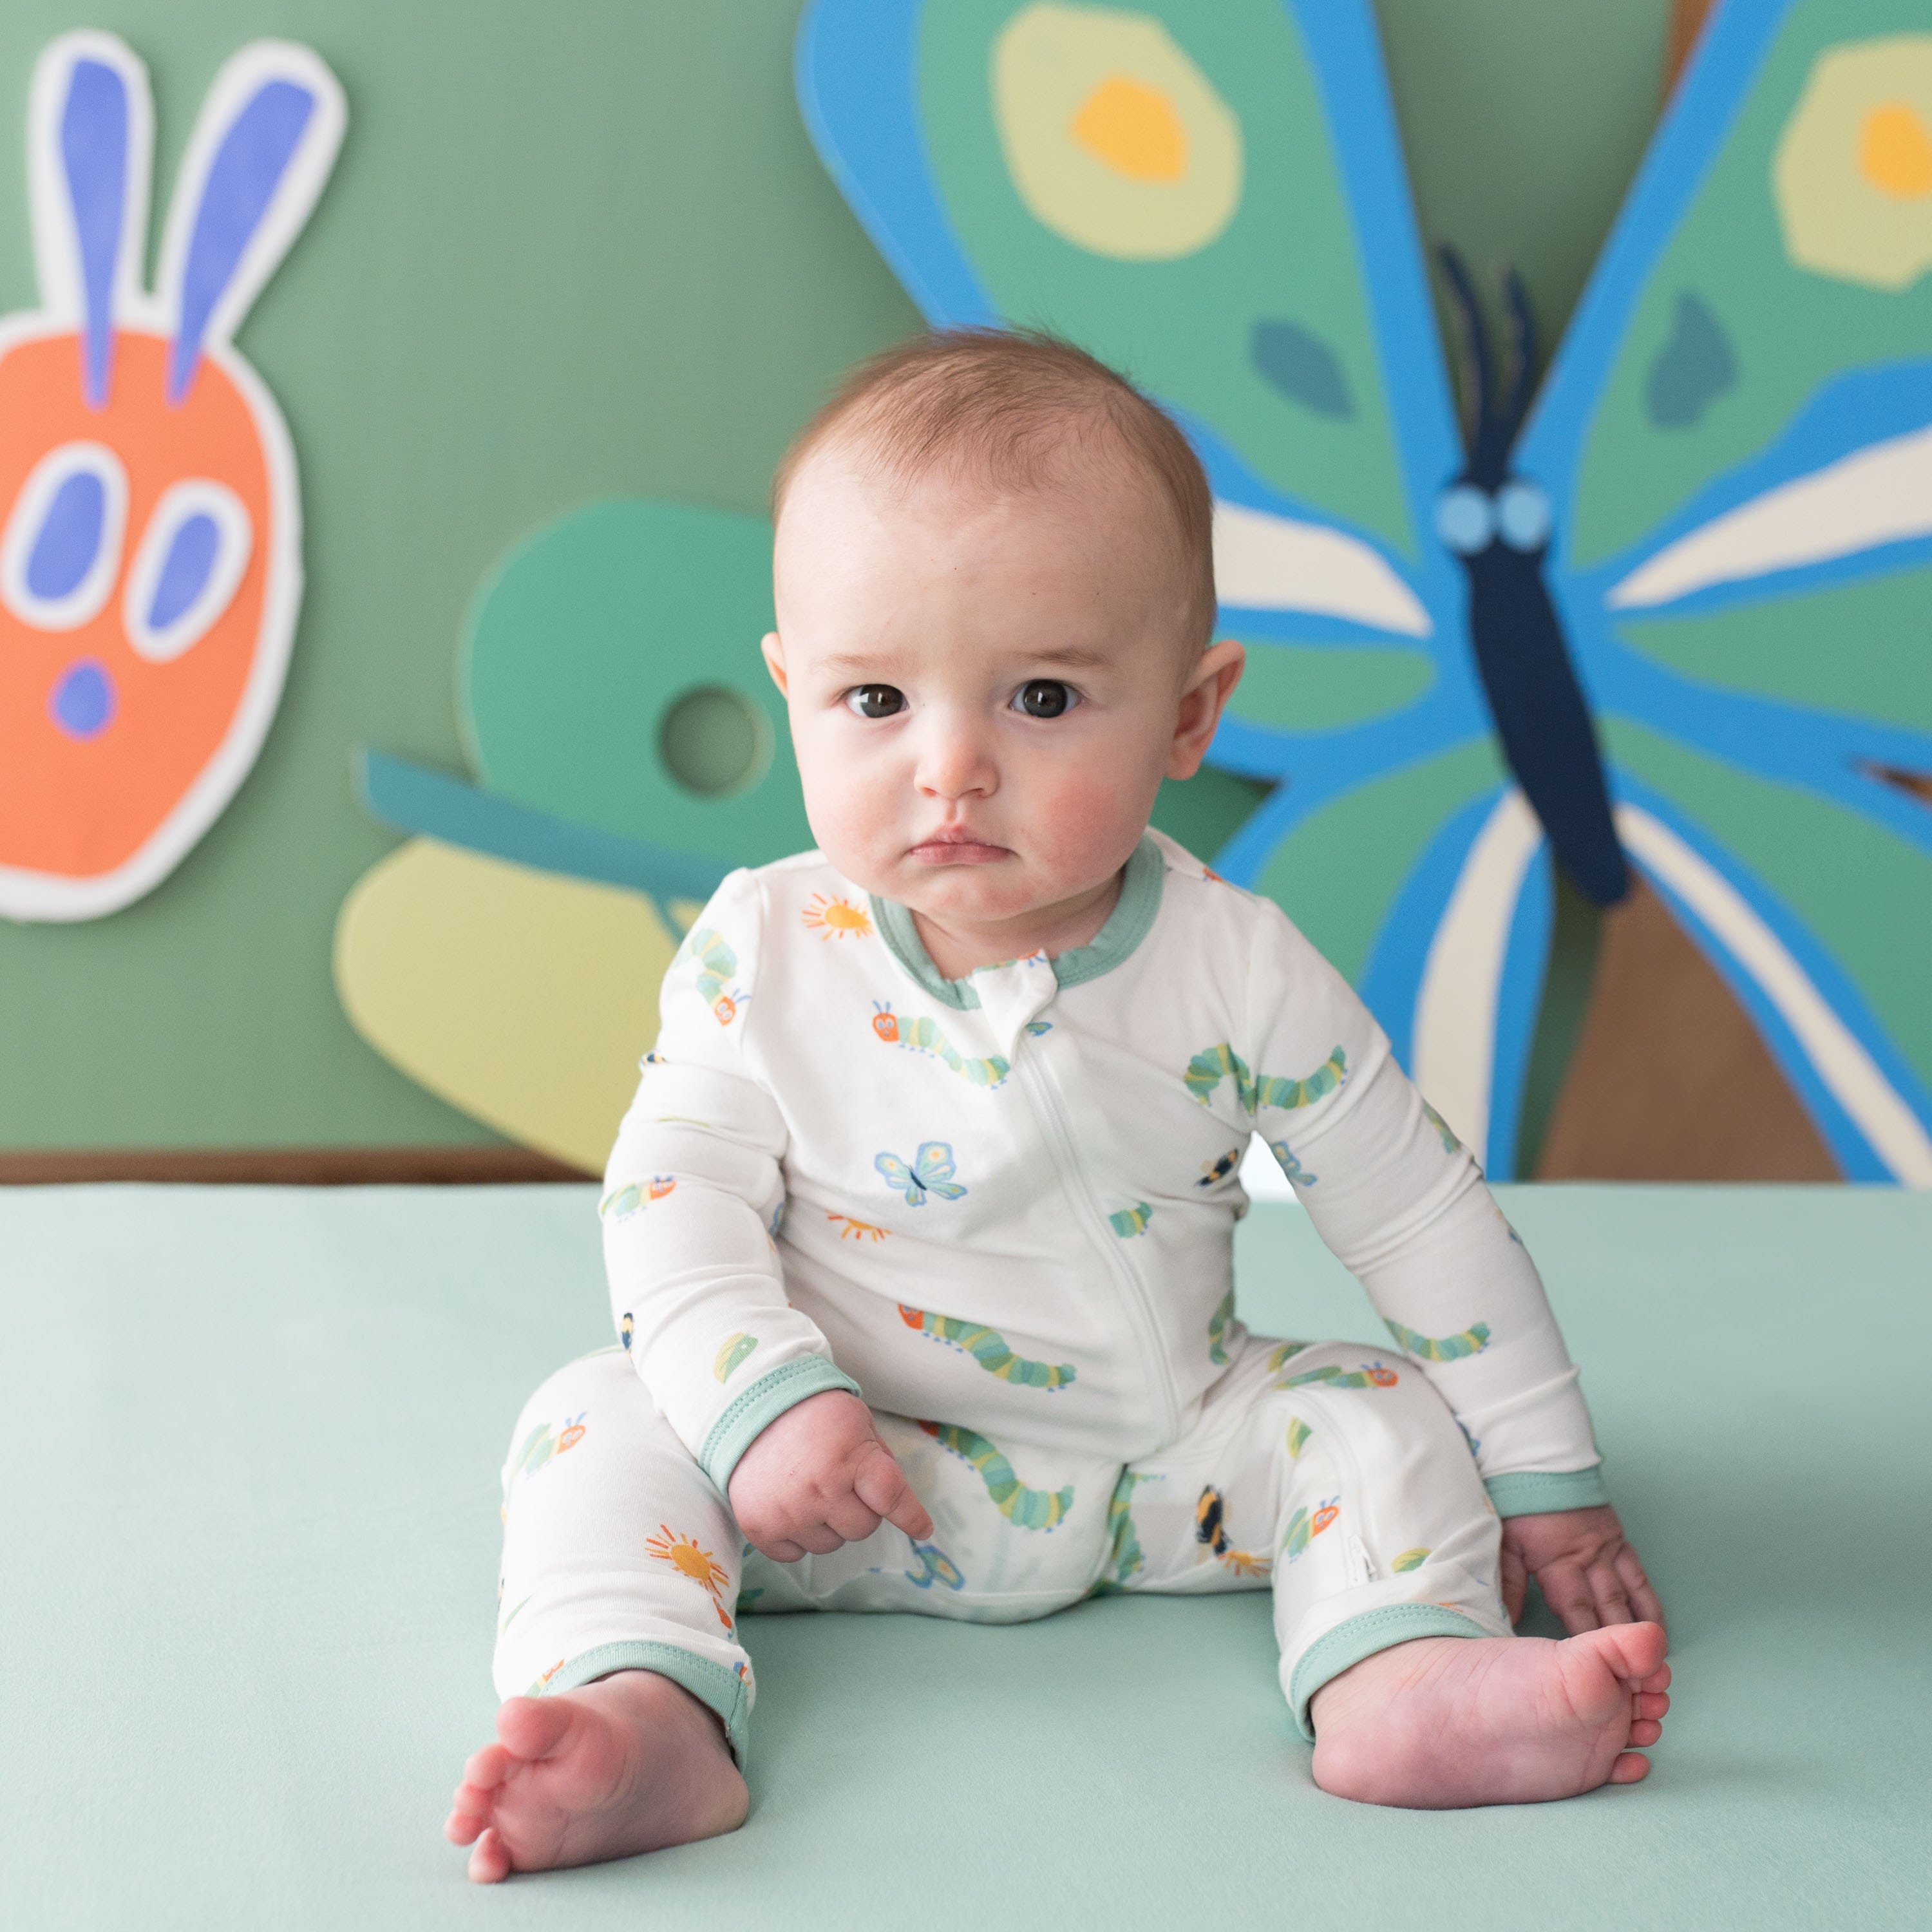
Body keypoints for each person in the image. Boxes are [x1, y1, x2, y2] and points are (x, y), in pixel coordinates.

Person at [445, 328, 1667, 1881]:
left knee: (1377, 1413)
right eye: (875, 697)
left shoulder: (1238, 968)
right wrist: (764, 1407)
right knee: (595, 1416)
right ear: (793, 689)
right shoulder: (764, 949)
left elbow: (1418, 1216)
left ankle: (1402, 1671)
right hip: (841, 1484)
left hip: (1173, 1470)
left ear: (1188, 715)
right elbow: (671, 1200)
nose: (950, 768)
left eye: (1039, 696)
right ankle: (645, 1706)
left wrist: (1546, 1478)